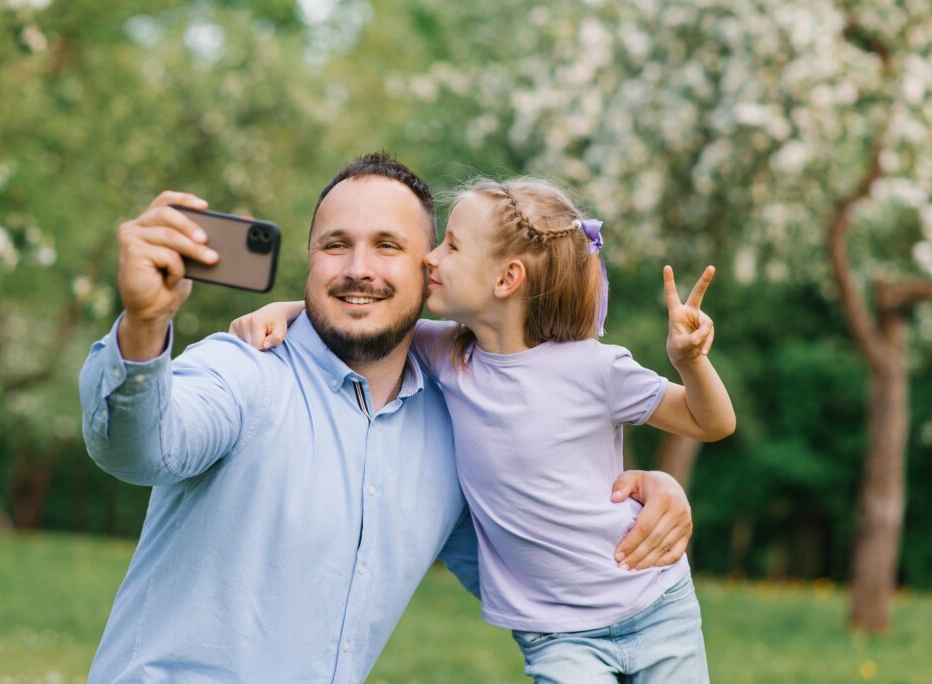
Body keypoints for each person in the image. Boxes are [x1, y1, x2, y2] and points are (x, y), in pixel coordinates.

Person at [79, 153, 695, 682]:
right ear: (311, 262)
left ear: (429, 271)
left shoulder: (453, 428)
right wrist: (143, 326)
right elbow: (140, 449)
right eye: (335, 245)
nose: (358, 269)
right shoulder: (244, 370)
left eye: (388, 247)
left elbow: (538, 566)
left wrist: (632, 508)